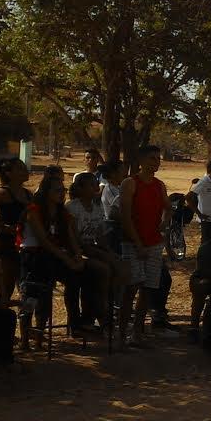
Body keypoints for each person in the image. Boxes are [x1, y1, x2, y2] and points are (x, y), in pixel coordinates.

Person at [18, 175, 83, 349]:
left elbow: (70, 237)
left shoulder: (62, 213)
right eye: (57, 190)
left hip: (51, 256)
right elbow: (44, 241)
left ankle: (45, 336)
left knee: (49, 296)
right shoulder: (34, 210)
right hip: (33, 256)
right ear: (46, 192)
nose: (62, 194)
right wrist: (67, 259)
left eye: (64, 190)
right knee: (30, 296)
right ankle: (24, 339)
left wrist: (77, 255)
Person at [119, 146, 170, 348]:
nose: (155, 162)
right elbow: (125, 216)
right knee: (131, 289)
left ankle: (137, 333)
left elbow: (168, 207)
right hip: (132, 243)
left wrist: (164, 223)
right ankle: (121, 334)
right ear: (141, 161)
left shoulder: (159, 185)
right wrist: (138, 243)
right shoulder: (130, 183)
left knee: (148, 289)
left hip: (154, 243)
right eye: (151, 158)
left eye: (158, 158)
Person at [65, 172, 115, 336]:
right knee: (102, 271)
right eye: (91, 185)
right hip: (75, 250)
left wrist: (107, 251)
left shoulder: (97, 207)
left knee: (116, 266)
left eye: (96, 184)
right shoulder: (72, 207)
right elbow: (73, 237)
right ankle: (101, 314)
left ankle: (103, 311)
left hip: (91, 248)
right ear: (80, 188)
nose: (96, 187)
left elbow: (100, 235)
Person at [0, 157, 33, 301]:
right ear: (8, 173)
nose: (25, 171)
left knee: (25, 286)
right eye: (20, 168)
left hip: (25, 244)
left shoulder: (28, 194)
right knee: (6, 286)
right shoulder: (3, 193)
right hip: (5, 244)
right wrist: (1, 226)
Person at [188, 160, 211, 244]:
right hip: (206, 219)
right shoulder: (203, 182)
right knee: (205, 243)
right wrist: (199, 214)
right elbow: (189, 197)